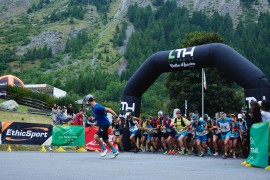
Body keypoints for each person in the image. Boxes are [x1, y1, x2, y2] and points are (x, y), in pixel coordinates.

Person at [86, 94, 119, 158]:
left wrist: (116, 116)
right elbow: (100, 115)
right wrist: (95, 120)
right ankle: (115, 151)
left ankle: (104, 149)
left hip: (104, 124)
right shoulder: (93, 107)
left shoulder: (97, 107)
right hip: (102, 124)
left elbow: (109, 109)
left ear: (88, 101)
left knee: (96, 137)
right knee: (105, 139)